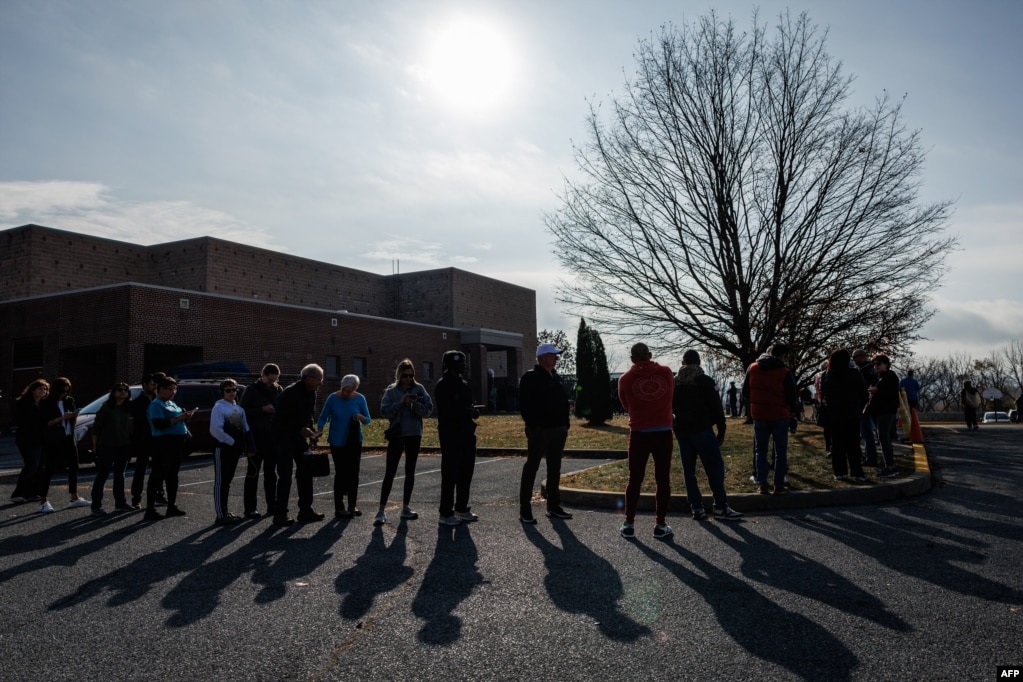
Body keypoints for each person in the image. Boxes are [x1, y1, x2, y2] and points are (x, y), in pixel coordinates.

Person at [673, 350, 742, 521]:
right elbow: (716, 406)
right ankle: (720, 506)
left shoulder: (674, 382)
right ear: (698, 362)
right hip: (702, 428)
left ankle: (697, 508)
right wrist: (721, 428)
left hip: (682, 431)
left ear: (683, 363)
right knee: (714, 468)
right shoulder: (705, 381)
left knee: (689, 471)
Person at [617, 343, 675, 539]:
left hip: (639, 431)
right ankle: (660, 523)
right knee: (662, 478)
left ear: (632, 358)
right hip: (663, 431)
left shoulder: (625, 379)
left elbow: (626, 405)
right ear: (650, 355)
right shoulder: (666, 373)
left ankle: (629, 523)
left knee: (635, 479)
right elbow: (670, 396)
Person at [517, 343, 573, 524]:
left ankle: (553, 506)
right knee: (532, 467)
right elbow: (524, 405)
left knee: (554, 468)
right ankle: (525, 510)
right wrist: (534, 426)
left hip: (558, 430)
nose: (556, 358)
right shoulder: (530, 377)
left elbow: (563, 402)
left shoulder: (555, 377)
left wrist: (566, 424)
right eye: (553, 355)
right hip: (540, 431)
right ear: (542, 358)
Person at [376, 359, 433, 525]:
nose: (408, 379)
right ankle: (381, 510)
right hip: (397, 434)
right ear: (399, 375)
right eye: (405, 376)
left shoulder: (419, 389)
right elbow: (384, 412)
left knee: (410, 471)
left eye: (411, 375)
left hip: (414, 434)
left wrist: (415, 404)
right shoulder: (391, 391)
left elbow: (428, 411)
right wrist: (400, 404)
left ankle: (406, 507)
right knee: (390, 472)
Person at [271, 364, 325, 526]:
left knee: (305, 472)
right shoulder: (290, 393)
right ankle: (280, 514)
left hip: (299, 439)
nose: (320, 383)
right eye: (319, 380)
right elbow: (280, 420)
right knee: (285, 476)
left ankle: (305, 510)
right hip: (283, 438)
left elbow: (309, 416)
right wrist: (300, 429)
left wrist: (312, 433)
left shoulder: (312, 393)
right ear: (308, 378)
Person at [742, 343, 797, 495]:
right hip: (779, 414)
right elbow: (792, 395)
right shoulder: (784, 371)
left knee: (760, 450)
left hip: (759, 413)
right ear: (782, 355)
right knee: (780, 451)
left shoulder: (752, 368)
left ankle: (762, 484)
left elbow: (745, 391)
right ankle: (778, 485)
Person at [434, 350, 480, 526]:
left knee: (466, 472)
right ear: (450, 364)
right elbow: (446, 411)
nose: (464, 365)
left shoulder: (464, 384)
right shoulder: (443, 385)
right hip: (450, 434)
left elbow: (469, 406)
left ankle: (461, 508)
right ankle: (445, 513)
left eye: (464, 362)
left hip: (467, 433)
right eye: (460, 363)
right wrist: (464, 411)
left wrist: (473, 412)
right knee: (450, 473)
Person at [318, 374, 371, 519]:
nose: (346, 393)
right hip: (337, 441)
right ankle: (339, 507)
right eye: (344, 390)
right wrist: (320, 429)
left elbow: (368, 420)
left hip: (354, 440)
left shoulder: (360, 398)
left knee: (354, 472)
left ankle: (352, 505)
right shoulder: (332, 398)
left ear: (355, 389)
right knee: (340, 473)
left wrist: (360, 417)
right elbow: (323, 416)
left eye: (349, 391)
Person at [145, 375, 196, 520]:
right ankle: (150, 509)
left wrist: (186, 417)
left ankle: (171, 506)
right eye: (170, 389)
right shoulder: (157, 404)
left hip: (177, 443)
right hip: (163, 443)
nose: (173, 392)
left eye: (175, 389)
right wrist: (179, 418)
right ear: (160, 389)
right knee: (157, 475)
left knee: (173, 475)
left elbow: (178, 420)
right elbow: (159, 424)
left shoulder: (172, 404)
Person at [38, 377, 89, 511]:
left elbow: (72, 419)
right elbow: (45, 423)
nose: (64, 394)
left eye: (67, 391)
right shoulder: (46, 402)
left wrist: (74, 416)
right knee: (49, 468)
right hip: (53, 438)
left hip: (68, 436)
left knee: (74, 466)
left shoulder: (69, 401)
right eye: (61, 391)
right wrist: (62, 418)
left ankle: (74, 497)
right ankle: (43, 500)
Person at [210, 378, 256, 525]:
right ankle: (220, 514)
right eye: (228, 390)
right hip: (222, 449)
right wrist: (231, 441)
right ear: (222, 392)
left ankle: (225, 511)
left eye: (234, 390)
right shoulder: (219, 407)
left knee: (228, 481)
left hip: (235, 450)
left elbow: (246, 429)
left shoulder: (239, 409)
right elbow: (215, 430)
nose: (231, 393)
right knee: (221, 481)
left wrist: (250, 446)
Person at [239, 363, 282, 518]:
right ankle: (250, 508)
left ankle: (273, 505)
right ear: (262, 375)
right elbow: (242, 411)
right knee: (253, 473)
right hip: (256, 436)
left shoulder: (278, 390)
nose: (272, 383)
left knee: (271, 474)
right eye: (269, 380)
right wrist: (261, 410)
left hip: (272, 437)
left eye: (274, 380)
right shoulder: (252, 390)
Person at [821, 349, 868, 482]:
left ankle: (839, 472)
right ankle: (857, 472)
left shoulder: (827, 374)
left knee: (837, 443)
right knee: (853, 443)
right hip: (852, 413)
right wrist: (859, 407)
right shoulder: (854, 373)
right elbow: (863, 393)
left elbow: (825, 393)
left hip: (834, 414)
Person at [90, 382, 134, 514]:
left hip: (123, 445)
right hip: (106, 445)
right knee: (102, 475)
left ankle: (120, 503)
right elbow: (96, 429)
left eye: (125, 390)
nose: (123, 392)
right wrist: (94, 447)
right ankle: (96, 505)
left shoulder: (128, 409)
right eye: (119, 390)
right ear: (113, 393)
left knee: (120, 475)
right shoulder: (106, 408)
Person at [129, 373, 165, 509]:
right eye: (152, 383)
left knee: (159, 469)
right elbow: (137, 422)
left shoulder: (159, 400)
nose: (154, 386)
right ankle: (136, 498)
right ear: (144, 384)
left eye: (155, 384)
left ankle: (159, 495)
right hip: (143, 439)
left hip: (158, 438)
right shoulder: (137, 402)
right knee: (140, 470)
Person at [11, 379, 49, 506]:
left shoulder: (44, 404)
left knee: (41, 466)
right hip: (27, 439)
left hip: (41, 439)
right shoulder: (24, 403)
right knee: (31, 465)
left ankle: (33, 493)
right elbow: (18, 421)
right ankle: (19, 494)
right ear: (33, 390)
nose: (43, 391)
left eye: (45, 389)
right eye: (40, 389)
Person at [866, 354, 901, 478]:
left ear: (886, 364)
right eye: (874, 364)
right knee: (883, 439)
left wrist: (877, 391)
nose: (876, 366)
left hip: (886, 411)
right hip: (879, 411)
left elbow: (891, 393)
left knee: (883, 438)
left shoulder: (890, 376)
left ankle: (890, 466)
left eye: (878, 363)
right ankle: (890, 466)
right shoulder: (879, 377)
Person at [852, 349, 880, 467]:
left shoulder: (865, 371)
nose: (853, 359)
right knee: (867, 432)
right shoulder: (870, 369)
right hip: (868, 405)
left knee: (866, 433)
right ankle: (869, 456)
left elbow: (864, 389)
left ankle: (871, 458)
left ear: (862, 356)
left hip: (865, 406)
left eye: (855, 357)